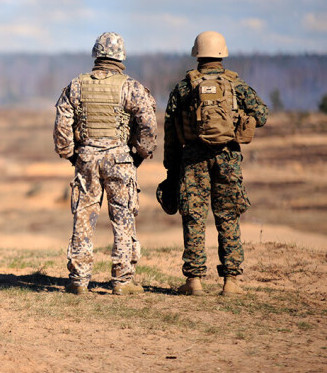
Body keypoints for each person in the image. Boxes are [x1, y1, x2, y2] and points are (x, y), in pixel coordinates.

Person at [163, 31, 268, 296]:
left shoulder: (184, 87)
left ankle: (194, 282)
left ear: (197, 54)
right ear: (222, 53)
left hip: (192, 160)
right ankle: (231, 281)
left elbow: (171, 131)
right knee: (228, 216)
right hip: (228, 158)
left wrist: (171, 168)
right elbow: (263, 115)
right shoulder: (236, 85)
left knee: (194, 218)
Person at [54, 32, 157, 295]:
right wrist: (137, 156)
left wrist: (71, 154)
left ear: (96, 54)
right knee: (123, 218)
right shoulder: (131, 87)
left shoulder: (76, 85)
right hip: (120, 159)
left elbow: (62, 122)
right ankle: (122, 282)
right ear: (121, 56)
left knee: (83, 217)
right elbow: (148, 125)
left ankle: (79, 280)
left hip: (86, 158)